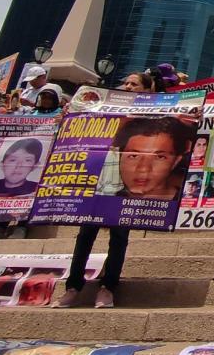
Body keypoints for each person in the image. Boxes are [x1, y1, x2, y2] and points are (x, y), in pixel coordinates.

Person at [56, 72, 160, 310]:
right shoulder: (105, 107)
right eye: (126, 83)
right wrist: (68, 117)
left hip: (125, 178)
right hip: (98, 175)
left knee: (119, 236)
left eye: (134, 84)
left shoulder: (155, 113)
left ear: (147, 91)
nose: (128, 86)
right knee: (85, 234)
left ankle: (108, 287)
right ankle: (73, 287)